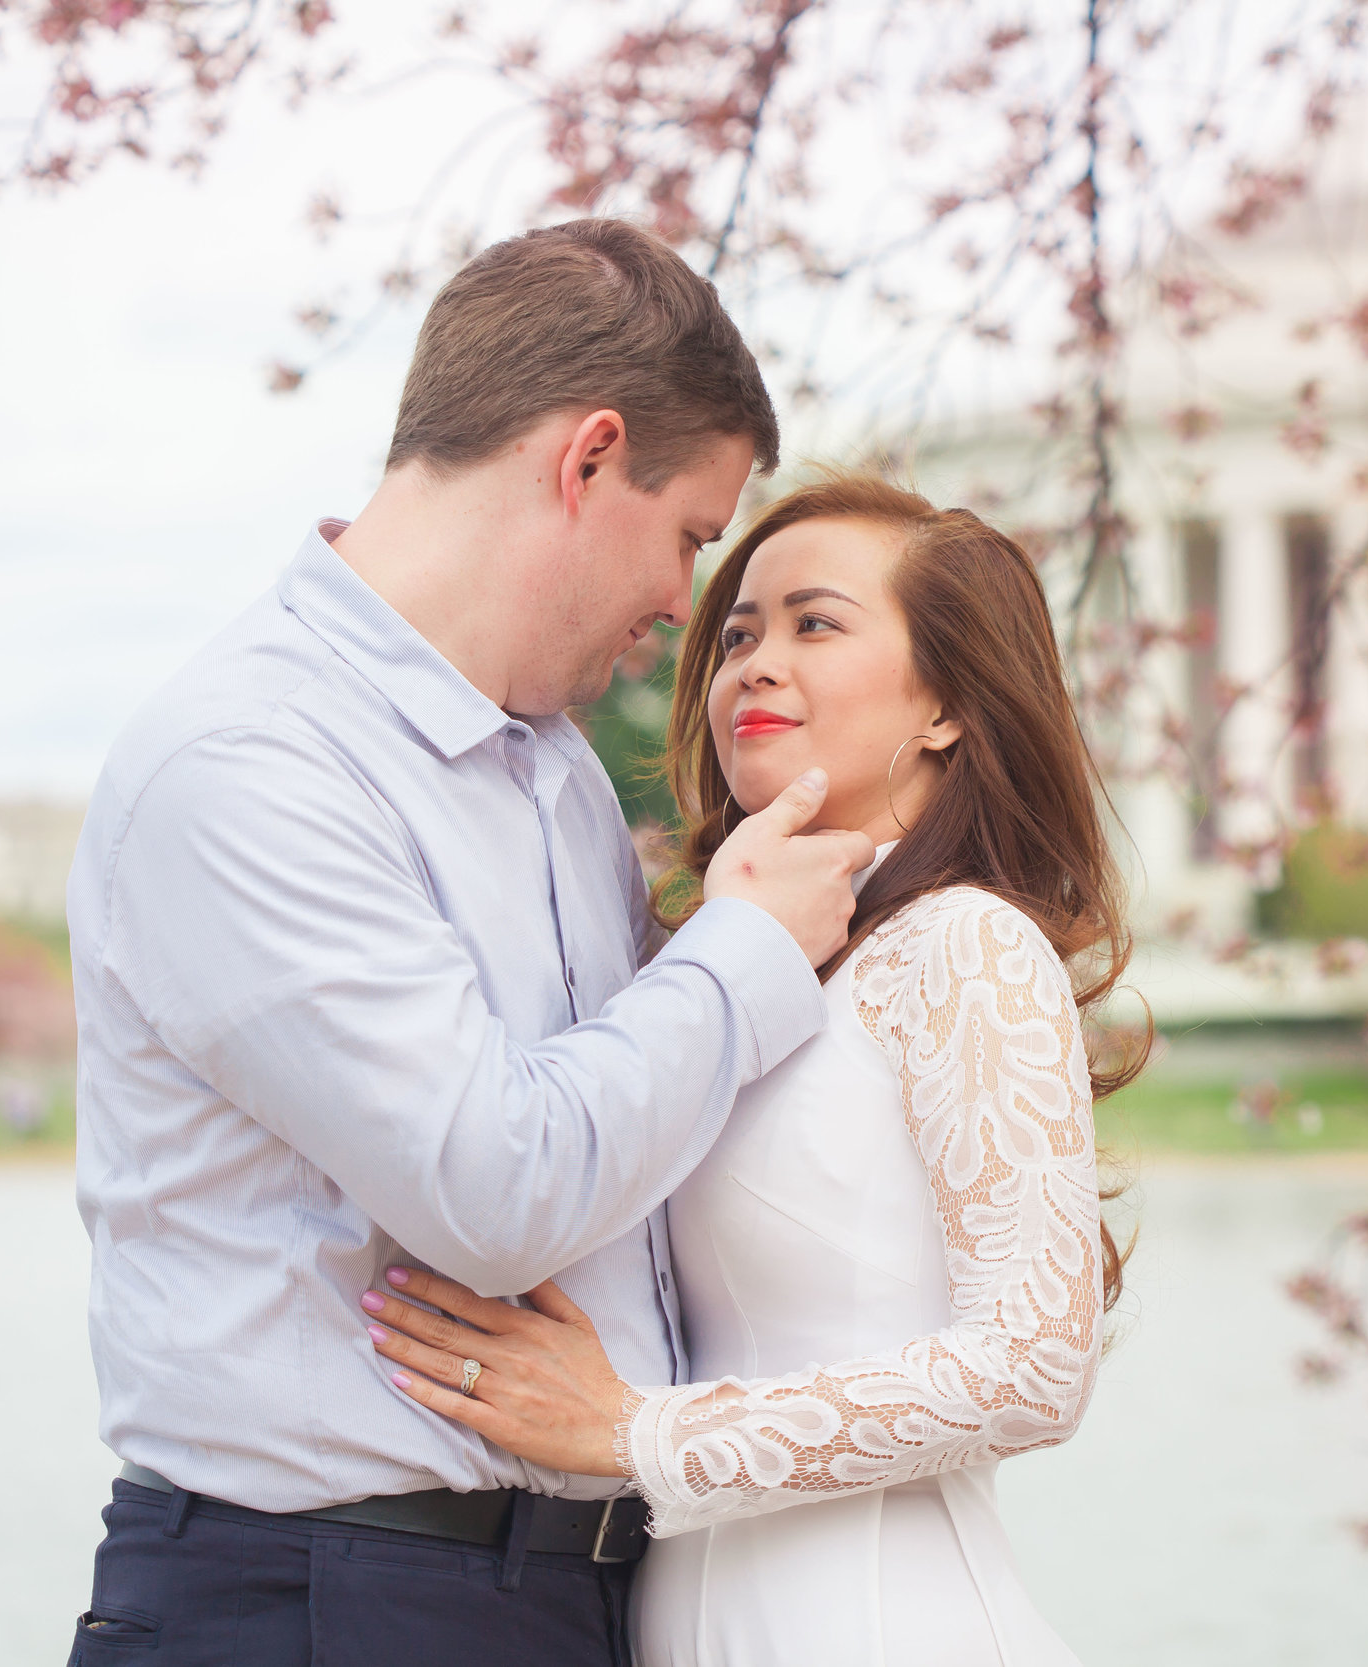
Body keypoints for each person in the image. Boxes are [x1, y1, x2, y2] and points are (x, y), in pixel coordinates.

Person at [62, 220, 872, 1667]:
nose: (686, 605)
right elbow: (494, 1184)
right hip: (325, 1597)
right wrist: (746, 948)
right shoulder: (250, 764)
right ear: (586, 457)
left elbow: (635, 1145)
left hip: (560, 1592)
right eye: (691, 532)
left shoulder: (548, 769)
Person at [356, 475, 1140, 1665]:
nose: (753, 665)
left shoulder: (964, 945)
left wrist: (637, 1434)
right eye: (735, 634)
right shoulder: (717, 976)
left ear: (947, 706)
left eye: (813, 623)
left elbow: (1035, 1367)